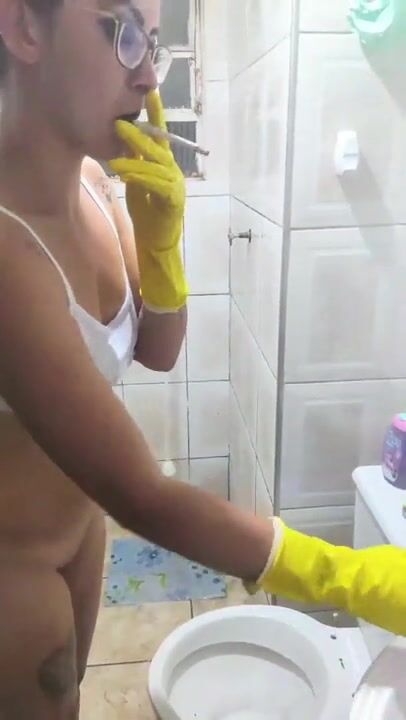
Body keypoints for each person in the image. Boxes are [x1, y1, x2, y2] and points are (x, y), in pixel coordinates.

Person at [0, 1, 404, 718]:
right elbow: (144, 495)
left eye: (152, 42)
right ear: (24, 26)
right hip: (14, 562)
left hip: (80, 526)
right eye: (122, 33)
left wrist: (162, 249)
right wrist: (346, 576)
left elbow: (158, 352)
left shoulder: (96, 186)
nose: (150, 75)